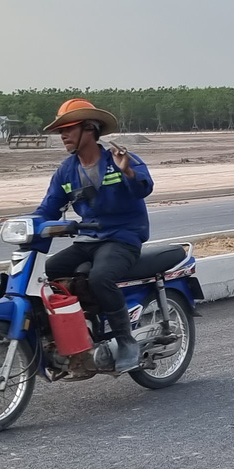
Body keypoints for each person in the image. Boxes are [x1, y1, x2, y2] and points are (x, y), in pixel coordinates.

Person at [35, 98, 153, 371]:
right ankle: (72, 333)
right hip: (88, 239)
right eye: (60, 130)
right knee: (44, 273)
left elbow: (144, 188)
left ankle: (126, 341)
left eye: (69, 128)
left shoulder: (120, 160)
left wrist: (128, 172)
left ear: (90, 128)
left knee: (101, 277)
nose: (62, 135)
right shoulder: (66, 170)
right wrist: (22, 223)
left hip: (123, 237)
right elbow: (48, 209)